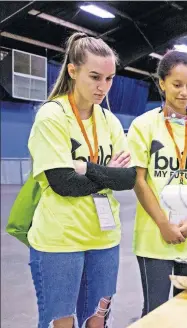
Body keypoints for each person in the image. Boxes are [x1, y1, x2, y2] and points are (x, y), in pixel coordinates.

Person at [27, 32, 136, 328]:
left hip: (104, 239)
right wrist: (105, 172)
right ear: (73, 71)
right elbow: (63, 183)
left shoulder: (110, 120)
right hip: (59, 241)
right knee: (61, 323)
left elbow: (127, 178)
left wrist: (85, 168)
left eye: (110, 78)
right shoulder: (52, 116)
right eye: (95, 77)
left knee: (96, 321)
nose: (103, 87)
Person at [127, 50, 187, 316]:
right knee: (156, 311)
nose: (184, 92)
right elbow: (139, 182)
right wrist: (163, 224)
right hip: (154, 237)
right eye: (177, 84)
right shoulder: (143, 126)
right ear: (162, 83)